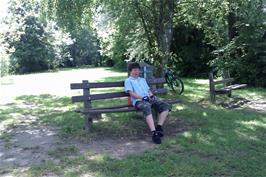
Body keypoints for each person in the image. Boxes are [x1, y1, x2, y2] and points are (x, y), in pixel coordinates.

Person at [124, 62, 171, 144]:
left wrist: (151, 96)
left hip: (148, 98)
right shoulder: (128, 81)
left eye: (138, 70)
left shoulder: (142, 79)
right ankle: (154, 133)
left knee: (165, 106)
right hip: (138, 101)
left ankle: (159, 127)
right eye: (134, 70)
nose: (136, 72)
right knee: (147, 106)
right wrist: (142, 98)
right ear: (130, 71)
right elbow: (131, 93)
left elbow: (148, 90)